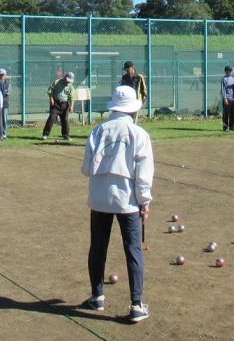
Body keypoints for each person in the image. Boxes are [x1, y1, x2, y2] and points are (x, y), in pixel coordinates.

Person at [80, 85, 154, 323]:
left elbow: (85, 168)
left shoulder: (97, 131)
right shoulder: (138, 134)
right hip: (127, 199)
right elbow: (143, 173)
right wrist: (145, 202)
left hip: (99, 197)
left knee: (98, 247)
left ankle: (97, 296)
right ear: (132, 110)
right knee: (133, 249)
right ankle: (136, 304)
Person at [43, 71, 74, 141]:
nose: (68, 82)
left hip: (65, 104)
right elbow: (50, 90)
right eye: (68, 80)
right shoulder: (57, 82)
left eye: (70, 81)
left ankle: (66, 135)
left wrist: (71, 106)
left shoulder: (70, 86)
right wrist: (51, 99)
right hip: (55, 103)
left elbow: (72, 98)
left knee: (65, 120)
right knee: (52, 118)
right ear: (65, 77)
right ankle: (45, 134)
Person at [0, 69, 11, 139]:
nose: (1, 76)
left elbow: (7, 93)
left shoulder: (8, 84)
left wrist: (1, 92)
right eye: (0, 75)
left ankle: (4, 133)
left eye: (3, 75)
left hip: (5, 104)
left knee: (4, 119)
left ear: (6, 75)